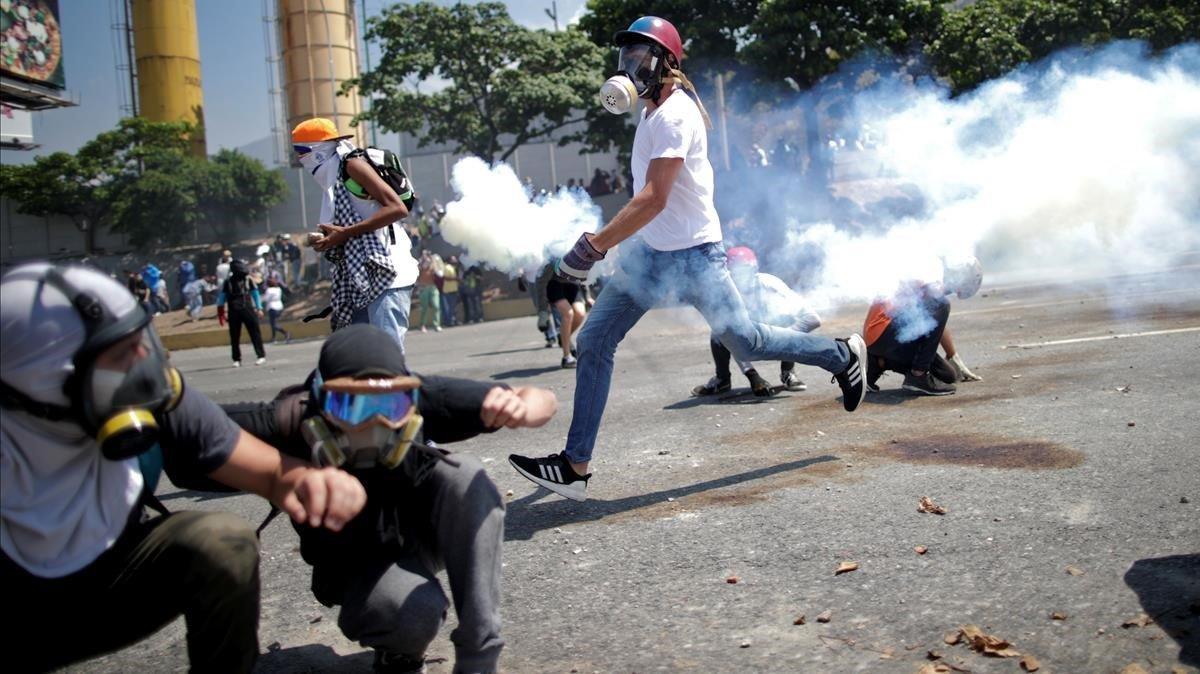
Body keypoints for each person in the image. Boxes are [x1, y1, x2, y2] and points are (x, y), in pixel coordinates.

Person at [508, 16, 868, 502]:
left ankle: (842, 355)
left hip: (697, 255)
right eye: (625, 59)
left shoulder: (676, 115)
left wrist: (596, 245)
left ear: (665, 63)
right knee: (593, 340)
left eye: (639, 59)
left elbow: (654, 197)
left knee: (748, 340)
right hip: (652, 255)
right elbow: (651, 205)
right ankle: (575, 465)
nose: (629, 68)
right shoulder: (651, 112)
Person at [0, 262, 366, 673]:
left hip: (108, 585)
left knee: (222, 541)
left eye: (142, 341)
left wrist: (312, 482)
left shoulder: (149, 394)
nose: (145, 365)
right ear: (43, 386)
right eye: (121, 355)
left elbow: (270, 472)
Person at [221, 325, 557, 674]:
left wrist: (522, 408)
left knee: (465, 474)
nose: (375, 422)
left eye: (390, 404)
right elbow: (190, 436)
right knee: (413, 614)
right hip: (351, 565)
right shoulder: (288, 421)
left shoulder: (421, 398)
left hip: (418, 537)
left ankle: (479, 658)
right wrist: (284, 471)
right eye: (351, 404)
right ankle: (398, 647)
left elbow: (538, 397)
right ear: (320, 400)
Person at [293, 118, 418, 352]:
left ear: (318, 150)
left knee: (386, 357)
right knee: (356, 357)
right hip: (361, 279)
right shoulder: (334, 178)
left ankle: (396, 390)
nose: (299, 159)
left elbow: (397, 208)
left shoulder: (352, 166)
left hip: (387, 273)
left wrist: (346, 233)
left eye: (301, 152)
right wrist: (331, 239)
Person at [691, 246, 821, 397]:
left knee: (789, 319)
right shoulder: (726, 294)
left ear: (754, 270)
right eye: (737, 272)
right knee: (719, 330)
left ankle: (787, 372)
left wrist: (786, 338)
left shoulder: (770, 284)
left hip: (774, 328)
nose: (741, 277)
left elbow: (812, 319)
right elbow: (732, 337)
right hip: (748, 333)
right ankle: (722, 379)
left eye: (745, 270)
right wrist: (753, 376)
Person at [863, 257, 984, 395]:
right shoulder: (929, 273)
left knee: (947, 374)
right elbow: (932, 309)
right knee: (941, 304)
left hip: (880, 339)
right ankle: (918, 376)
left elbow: (934, 323)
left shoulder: (934, 282)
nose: (954, 291)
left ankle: (878, 363)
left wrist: (953, 356)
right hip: (884, 331)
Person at [217, 259, 267, 367]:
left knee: (255, 333)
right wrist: (221, 312)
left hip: (247, 309)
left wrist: (259, 308)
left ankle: (261, 356)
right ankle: (236, 359)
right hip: (233, 311)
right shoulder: (228, 282)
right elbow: (222, 298)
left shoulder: (248, 280)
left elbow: (255, 294)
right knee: (234, 336)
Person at [546, 274, 586, 369]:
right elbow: (540, 279)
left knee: (580, 314)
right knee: (568, 314)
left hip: (574, 285)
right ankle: (566, 357)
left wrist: (587, 295)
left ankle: (563, 338)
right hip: (555, 285)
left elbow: (585, 272)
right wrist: (542, 311)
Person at [416, 250, 442, 333]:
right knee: (424, 308)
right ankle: (422, 325)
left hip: (433, 287)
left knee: (436, 306)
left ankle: (436, 325)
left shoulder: (433, 264)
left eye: (428, 255)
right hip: (423, 288)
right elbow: (417, 275)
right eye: (426, 255)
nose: (427, 256)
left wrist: (435, 265)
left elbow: (440, 274)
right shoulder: (419, 265)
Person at [263, 277, 292, 344]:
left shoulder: (269, 290)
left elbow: (266, 299)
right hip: (279, 306)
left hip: (272, 307)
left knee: (273, 325)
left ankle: (286, 333)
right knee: (273, 323)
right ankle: (273, 338)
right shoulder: (278, 289)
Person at [441, 255, 461, 327]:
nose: (455, 260)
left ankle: (453, 320)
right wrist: (456, 279)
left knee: (454, 307)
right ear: (450, 260)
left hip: (453, 290)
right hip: (448, 291)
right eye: (454, 259)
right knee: (450, 308)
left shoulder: (453, 267)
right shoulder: (447, 267)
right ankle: (449, 322)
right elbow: (445, 278)